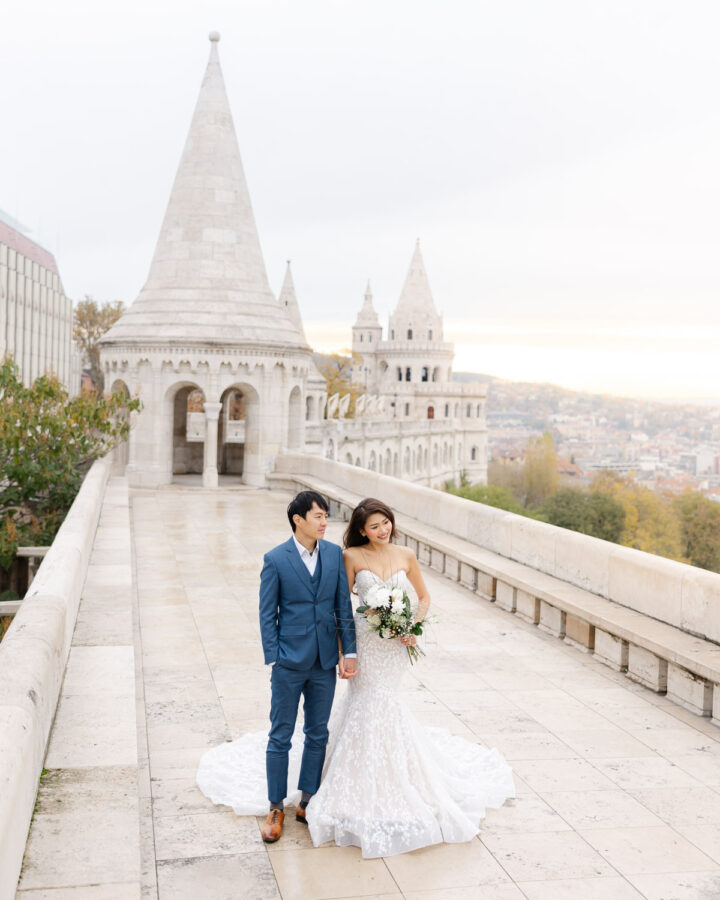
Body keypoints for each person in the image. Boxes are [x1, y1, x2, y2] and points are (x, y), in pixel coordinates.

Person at [304, 497, 515, 857]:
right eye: (374, 526)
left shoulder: (406, 555)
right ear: (360, 530)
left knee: (386, 699)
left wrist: (411, 626)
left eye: (385, 523)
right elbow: (342, 605)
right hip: (368, 642)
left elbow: (423, 597)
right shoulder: (351, 557)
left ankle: (399, 773)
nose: (382, 530)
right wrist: (345, 650)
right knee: (366, 699)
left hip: (396, 646)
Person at [196, 490, 357, 844]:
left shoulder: (334, 554)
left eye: (326, 516)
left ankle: (308, 799)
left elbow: (342, 606)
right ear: (298, 519)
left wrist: (351, 653)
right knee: (280, 734)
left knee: (318, 733)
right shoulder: (276, 559)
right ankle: (275, 806)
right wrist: (275, 655)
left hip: (325, 660)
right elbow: (267, 613)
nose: (324, 522)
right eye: (318, 516)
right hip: (288, 661)